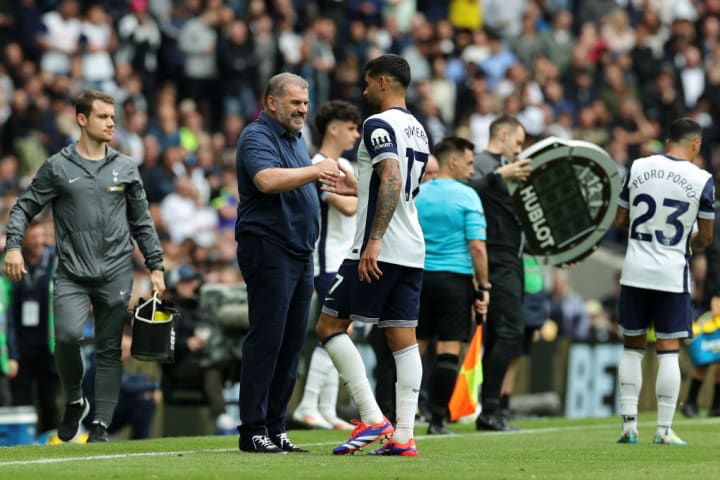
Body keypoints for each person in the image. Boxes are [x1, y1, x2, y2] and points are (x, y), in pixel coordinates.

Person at [2, 89, 166, 443]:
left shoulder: (126, 166)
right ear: (81, 119)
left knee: (108, 349)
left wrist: (156, 265)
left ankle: (101, 425)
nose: (111, 123)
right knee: (65, 337)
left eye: (113, 117)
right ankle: (75, 400)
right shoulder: (58, 166)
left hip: (117, 271)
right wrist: (13, 246)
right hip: (72, 275)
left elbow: (142, 221)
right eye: (103, 116)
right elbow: (23, 207)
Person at [315, 53, 430, 457]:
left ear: (383, 82)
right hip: (413, 248)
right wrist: (357, 188)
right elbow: (391, 181)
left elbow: (393, 177)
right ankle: (403, 436)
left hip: (377, 248)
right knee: (404, 341)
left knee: (328, 327)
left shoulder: (377, 123)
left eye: (367, 83)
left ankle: (371, 417)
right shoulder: (419, 129)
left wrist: (374, 239)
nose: (363, 91)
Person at [234, 72, 338, 453]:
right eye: (295, 102)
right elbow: (266, 180)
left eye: (305, 103)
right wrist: (316, 169)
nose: (303, 110)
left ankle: (276, 426)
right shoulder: (256, 135)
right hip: (268, 247)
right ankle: (253, 429)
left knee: (292, 342)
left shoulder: (296, 139)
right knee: (267, 339)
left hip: (298, 252)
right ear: (272, 102)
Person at [615, 117, 714, 446]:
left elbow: (620, 220)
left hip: (635, 270)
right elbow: (706, 239)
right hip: (672, 273)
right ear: (696, 145)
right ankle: (663, 429)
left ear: (667, 138)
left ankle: (629, 426)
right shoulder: (702, 179)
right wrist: (688, 240)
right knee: (668, 351)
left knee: (632, 348)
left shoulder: (638, 166)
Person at [293, 99, 360, 431]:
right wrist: (375, 197)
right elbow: (347, 207)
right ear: (333, 127)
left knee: (342, 332)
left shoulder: (346, 165)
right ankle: (308, 404)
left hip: (346, 260)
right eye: (350, 127)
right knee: (337, 331)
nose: (356, 134)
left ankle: (326, 409)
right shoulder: (318, 165)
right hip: (327, 262)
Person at [415, 136, 490, 435]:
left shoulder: (418, 193)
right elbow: (477, 247)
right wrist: (483, 286)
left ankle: (398, 417)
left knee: (412, 350)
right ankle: (436, 420)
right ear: (453, 160)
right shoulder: (467, 196)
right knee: (448, 351)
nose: (472, 170)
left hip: (417, 277)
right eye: (470, 163)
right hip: (454, 281)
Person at [469, 114, 532, 431]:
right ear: (503, 135)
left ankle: (491, 409)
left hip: (511, 257)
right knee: (508, 332)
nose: (519, 151)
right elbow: (465, 189)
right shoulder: (482, 163)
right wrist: (498, 174)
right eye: (518, 142)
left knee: (502, 334)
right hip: (492, 256)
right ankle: (489, 409)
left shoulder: (510, 169)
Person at [7, 220, 61, 434]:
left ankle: (51, 443)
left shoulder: (56, 262)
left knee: (50, 402)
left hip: (49, 345)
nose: (39, 241)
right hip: (21, 346)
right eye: (33, 237)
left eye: (42, 236)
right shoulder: (12, 263)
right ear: (24, 240)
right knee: (21, 402)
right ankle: (23, 443)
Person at [681, 200, 720, 418]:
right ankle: (692, 401)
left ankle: (715, 404)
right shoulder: (716, 215)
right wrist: (716, 293)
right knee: (710, 348)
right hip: (716, 296)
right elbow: (715, 255)